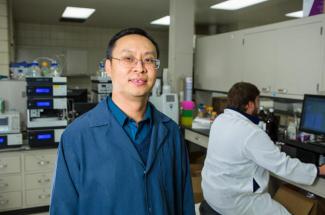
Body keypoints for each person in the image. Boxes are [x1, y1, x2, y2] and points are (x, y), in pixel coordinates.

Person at [50, 28, 195, 215]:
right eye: (128, 59)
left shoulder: (171, 132)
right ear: (108, 67)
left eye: (149, 60)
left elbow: (184, 202)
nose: (140, 68)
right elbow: (63, 208)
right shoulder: (77, 136)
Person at [200, 82, 325, 215]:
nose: (259, 106)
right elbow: (283, 165)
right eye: (258, 101)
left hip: (212, 194)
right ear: (250, 104)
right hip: (234, 202)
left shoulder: (220, 120)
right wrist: (318, 170)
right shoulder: (251, 132)